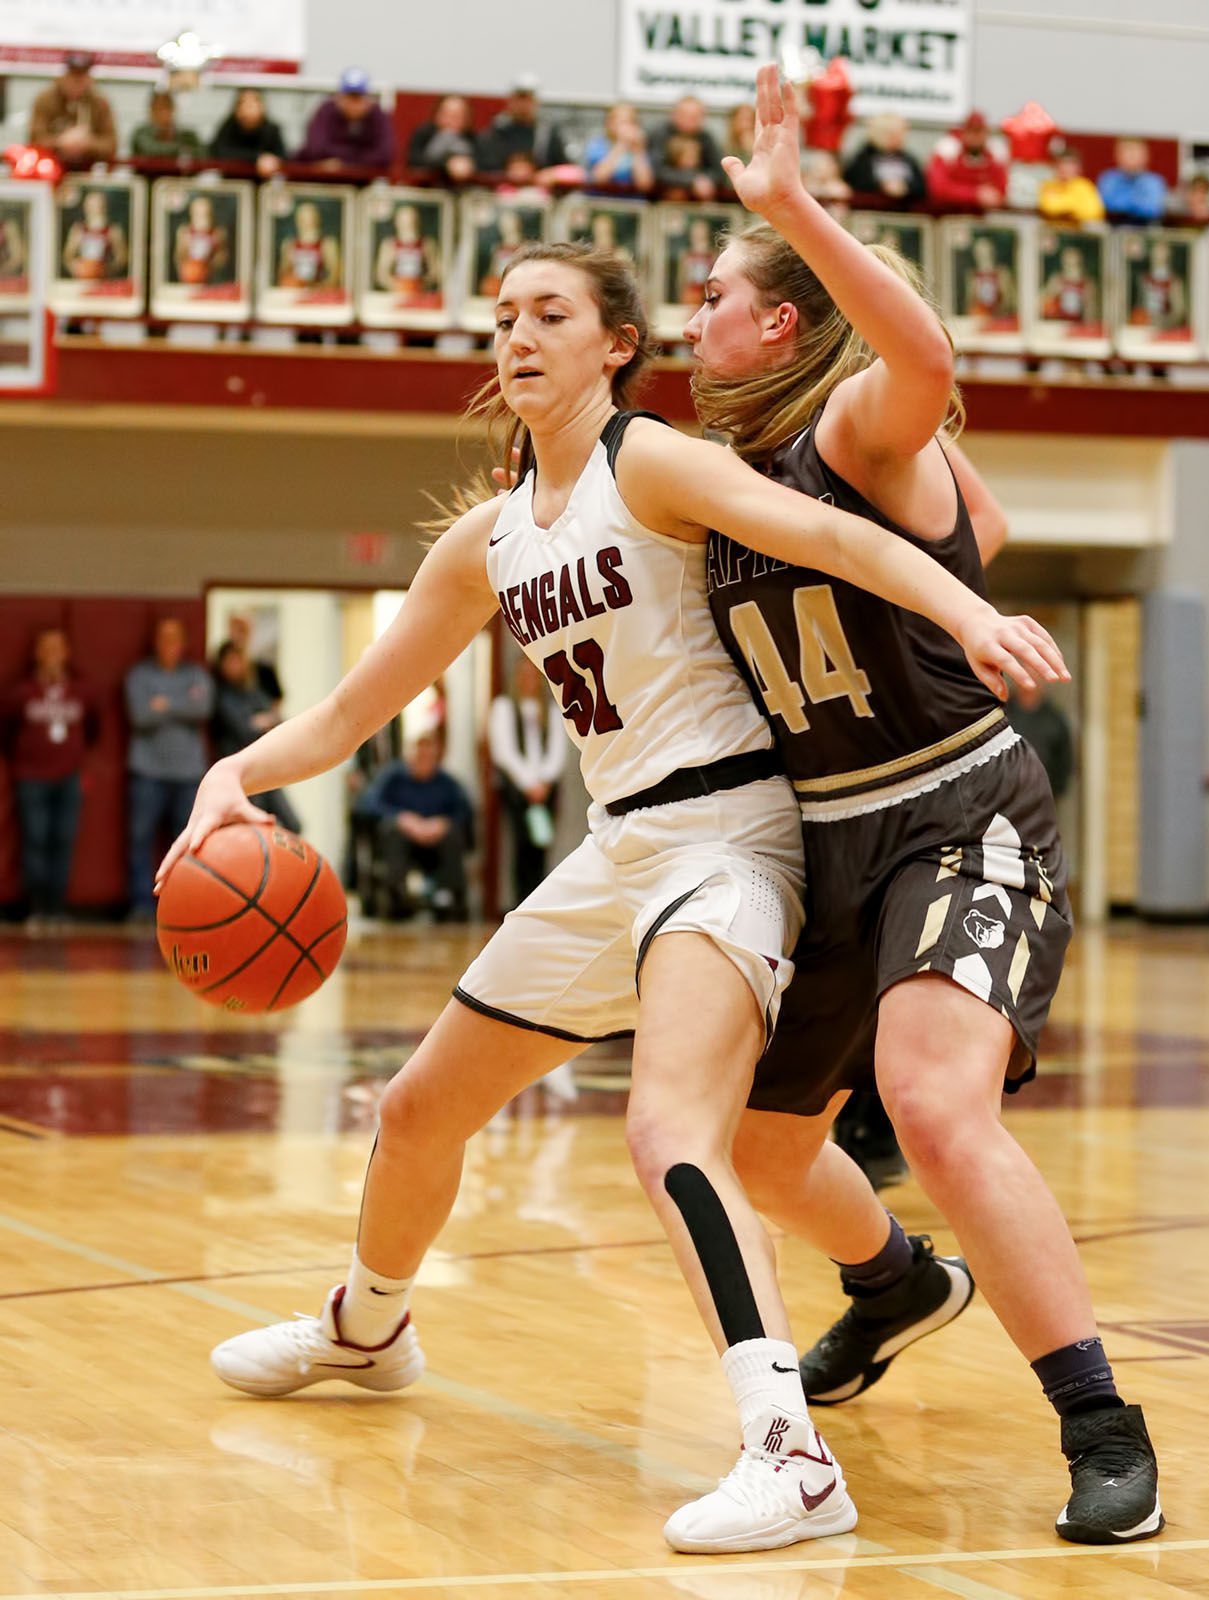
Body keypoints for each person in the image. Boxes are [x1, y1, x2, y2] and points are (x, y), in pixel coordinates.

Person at [159, 238, 1063, 1556]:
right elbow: (360, 707)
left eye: (551, 314)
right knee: (418, 1110)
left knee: (669, 1128)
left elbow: (828, 530)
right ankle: (369, 1329)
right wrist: (231, 776)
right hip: (616, 848)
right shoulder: (492, 538)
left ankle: (787, 1454)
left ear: (615, 344)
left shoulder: (653, 461)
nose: (518, 336)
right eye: (505, 315)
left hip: (733, 837)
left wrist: (964, 613)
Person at [685, 65, 1162, 1547]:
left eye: (715, 294)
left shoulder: (847, 424)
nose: (693, 318)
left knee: (936, 1103)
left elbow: (923, 347)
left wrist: (791, 205)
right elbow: (995, 524)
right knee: (766, 1151)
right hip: (825, 834)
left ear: (779, 321)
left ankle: (1101, 1422)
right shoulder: (734, 473)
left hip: (957, 806)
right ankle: (896, 1283)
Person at [1, 627, 97, 929]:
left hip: (69, 777)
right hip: (31, 777)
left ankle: (57, 909)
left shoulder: (82, 690)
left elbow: (94, 729)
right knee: (35, 841)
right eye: (46, 648)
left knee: (63, 841)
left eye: (58, 647)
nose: (52, 654)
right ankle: (37, 910)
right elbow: (6, 728)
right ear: (36, 653)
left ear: (67, 652)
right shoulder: (22, 692)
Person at [125, 617, 213, 922]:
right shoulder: (140, 675)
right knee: (141, 839)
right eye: (163, 637)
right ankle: (141, 906)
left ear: (184, 643)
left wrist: (164, 704)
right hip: (147, 771)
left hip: (188, 773)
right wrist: (179, 705)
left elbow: (202, 709)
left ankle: (182, 905)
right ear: (155, 641)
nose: (169, 644)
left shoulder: (196, 675)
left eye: (175, 638)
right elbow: (141, 715)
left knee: (187, 842)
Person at [357, 729, 472, 920]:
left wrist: (442, 823)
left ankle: (447, 898)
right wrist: (402, 818)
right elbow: (368, 803)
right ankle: (396, 895)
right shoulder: (392, 778)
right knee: (392, 830)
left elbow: (464, 811)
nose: (424, 756)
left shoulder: (448, 783)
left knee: (453, 834)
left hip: (436, 845)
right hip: (403, 842)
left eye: (429, 751)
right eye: (419, 750)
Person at [488, 655, 567, 905]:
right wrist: (528, 784)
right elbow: (504, 751)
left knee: (541, 845)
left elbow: (557, 750)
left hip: (546, 788)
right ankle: (521, 900)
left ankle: (539, 901)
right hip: (518, 789)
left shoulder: (552, 710)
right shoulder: (504, 707)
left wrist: (544, 782)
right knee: (521, 846)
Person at [210, 641, 302, 834]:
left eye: (238, 660)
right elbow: (244, 729)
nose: (235, 665)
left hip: (266, 769)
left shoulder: (252, 691)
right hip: (242, 775)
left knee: (293, 824)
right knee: (254, 829)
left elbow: (278, 719)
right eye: (230, 661)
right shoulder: (222, 696)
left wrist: (261, 721)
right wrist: (261, 722)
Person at [28, 52, 117, 166]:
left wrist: (87, 143)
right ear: (64, 77)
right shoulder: (45, 100)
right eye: (73, 77)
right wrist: (61, 142)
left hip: (88, 168)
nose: (77, 82)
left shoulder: (99, 102)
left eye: (81, 78)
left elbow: (111, 144)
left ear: (89, 79)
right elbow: (34, 140)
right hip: (51, 166)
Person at [297, 68, 394, 170]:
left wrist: (343, 163)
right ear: (339, 97)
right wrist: (359, 156)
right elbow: (315, 148)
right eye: (349, 97)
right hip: (321, 180)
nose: (353, 104)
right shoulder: (326, 111)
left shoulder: (378, 116)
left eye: (358, 98)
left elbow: (385, 155)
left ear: (367, 99)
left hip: (362, 182)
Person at [475, 76, 569, 178]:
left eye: (528, 99)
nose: (523, 104)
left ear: (536, 102)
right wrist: (507, 174)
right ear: (510, 100)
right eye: (520, 98)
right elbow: (482, 169)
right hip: (500, 191)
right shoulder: (493, 134)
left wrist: (548, 174)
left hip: (540, 191)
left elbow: (567, 168)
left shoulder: (547, 135)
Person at [926, 111, 1008, 209]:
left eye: (979, 131)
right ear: (963, 132)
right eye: (972, 131)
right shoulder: (948, 150)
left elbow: (1001, 191)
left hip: (983, 217)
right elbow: (937, 188)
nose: (975, 137)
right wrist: (975, 194)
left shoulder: (994, 153)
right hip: (947, 214)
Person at [1005, 684, 1073, 801]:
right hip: (1004, 799)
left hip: (1042, 798)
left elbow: (1064, 760)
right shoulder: (1002, 713)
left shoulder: (1054, 717)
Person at [842, 114, 926, 204]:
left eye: (900, 134)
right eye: (891, 134)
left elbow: (921, 187)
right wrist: (881, 185)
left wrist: (906, 187)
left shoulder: (908, 159)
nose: (897, 139)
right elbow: (854, 183)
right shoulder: (862, 158)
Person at [651, 96, 722, 200]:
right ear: (674, 115)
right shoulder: (660, 134)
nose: (689, 121)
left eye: (694, 117)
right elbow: (656, 170)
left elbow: (718, 172)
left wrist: (704, 180)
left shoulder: (706, 138)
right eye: (684, 115)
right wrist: (691, 180)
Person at [209, 88, 286, 175]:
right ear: (236, 108)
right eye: (243, 103)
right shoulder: (229, 126)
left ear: (262, 107)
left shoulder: (272, 129)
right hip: (233, 180)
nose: (248, 109)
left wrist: (272, 161)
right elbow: (219, 152)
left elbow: (283, 157)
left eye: (253, 103)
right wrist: (257, 158)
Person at [583, 102, 654, 195]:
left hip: (632, 203)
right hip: (600, 200)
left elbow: (645, 185)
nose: (626, 127)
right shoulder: (598, 144)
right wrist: (621, 145)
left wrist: (638, 151)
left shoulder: (639, 147)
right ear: (609, 124)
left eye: (630, 122)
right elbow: (598, 179)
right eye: (621, 122)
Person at [404, 95, 476, 182]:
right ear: (437, 114)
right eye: (447, 114)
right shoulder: (424, 134)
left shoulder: (471, 138)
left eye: (457, 115)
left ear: (466, 118)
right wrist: (447, 164)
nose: (451, 120)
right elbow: (413, 162)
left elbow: (485, 165)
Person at [375, 205, 441, 297]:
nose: (408, 223)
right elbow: (381, 275)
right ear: (396, 222)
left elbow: (435, 273)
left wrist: (421, 285)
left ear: (418, 221)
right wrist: (397, 286)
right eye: (404, 220)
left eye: (412, 219)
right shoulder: (388, 245)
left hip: (421, 294)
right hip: (395, 294)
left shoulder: (428, 244)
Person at [62, 190, 127, 281]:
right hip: (82, 279)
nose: (95, 207)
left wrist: (108, 270)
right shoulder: (78, 229)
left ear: (104, 206)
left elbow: (122, 258)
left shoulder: (113, 230)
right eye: (91, 204)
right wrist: (76, 268)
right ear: (85, 206)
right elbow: (67, 256)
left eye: (98, 204)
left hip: (105, 281)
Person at [1098, 139, 1167, 223]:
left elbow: (1152, 209)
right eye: (1127, 152)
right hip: (1113, 227)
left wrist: (1124, 205)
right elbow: (1105, 206)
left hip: (1145, 228)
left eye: (1135, 153)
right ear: (1117, 156)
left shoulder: (1154, 182)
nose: (1131, 157)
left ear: (1145, 156)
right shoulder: (1108, 179)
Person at [276, 202, 340, 290]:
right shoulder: (289, 244)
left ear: (317, 218)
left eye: (310, 217)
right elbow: (282, 274)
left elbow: (335, 274)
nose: (307, 221)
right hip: (294, 291)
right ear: (297, 220)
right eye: (303, 217)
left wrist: (320, 288)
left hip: (318, 293)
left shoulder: (327, 244)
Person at [1037, 146, 1104, 224]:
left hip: (1079, 230)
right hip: (1053, 229)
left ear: (1078, 167)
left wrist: (1066, 209)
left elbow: (1093, 212)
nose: (1064, 168)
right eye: (1061, 164)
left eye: (1069, 164)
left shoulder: (1085, 186)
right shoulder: (1048, 185)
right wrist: (1072, 208)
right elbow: (1048, 207)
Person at [130, 89, 203, 159]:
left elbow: (200, 155)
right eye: (158, 108)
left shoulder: (188, 134)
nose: (163, 113)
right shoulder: (141, 132)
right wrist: (181, 148)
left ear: (174, 109)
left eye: (166, 106)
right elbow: (150, 150)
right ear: (151, 111)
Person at [173, 194, 229, 286]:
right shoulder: (184, 232)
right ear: (192, 213)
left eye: (206, 214)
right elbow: (178, 258)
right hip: (189, 278)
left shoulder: (218, 233)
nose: (203, 218)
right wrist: (185, 247)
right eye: (198, 214)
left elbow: (222, 260)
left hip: (211, 281)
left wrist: (214, 250)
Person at [1041, 244, 1099, 325]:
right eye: (1067, 263)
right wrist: (1051, 293)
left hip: (1078, 325)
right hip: (1058, 324)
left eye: (1073, 263)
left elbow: (1091, 315)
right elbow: (1041, 304)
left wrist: (1089, 303)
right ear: (1062, 262)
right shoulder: (1056, 280)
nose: (1070, 267)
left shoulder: (1087, 283)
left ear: (1080, 262)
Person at [964, 235, 1015, 319]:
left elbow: (1010, 302)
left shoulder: (1003, 274)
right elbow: (969, 303)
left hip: (999, 320)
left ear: (992, 252)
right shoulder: (972, 276)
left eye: (986, 251)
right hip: (978, 320)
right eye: (979, 252)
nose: (983, 254)